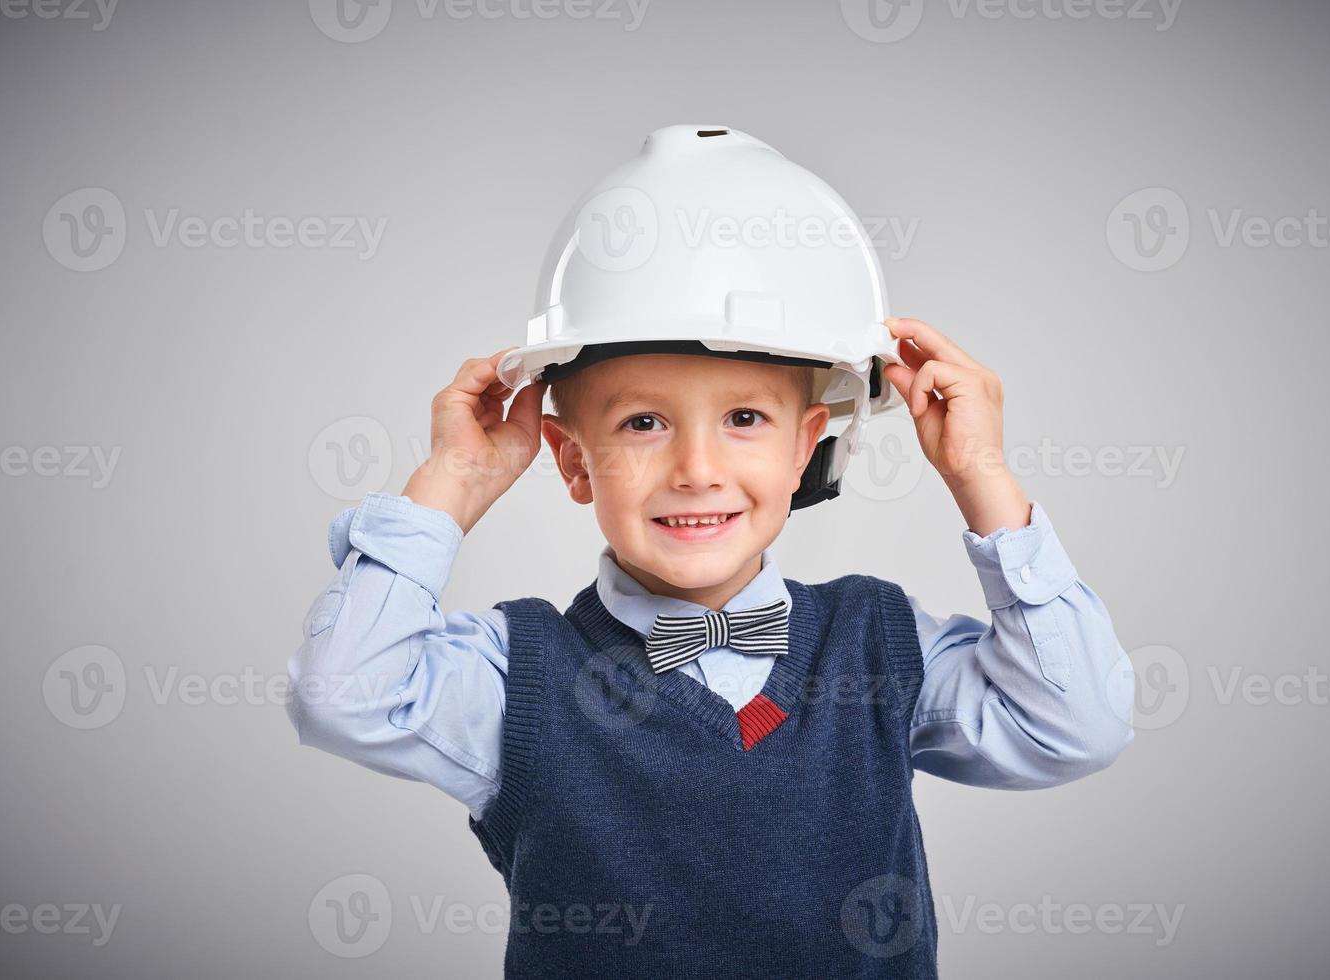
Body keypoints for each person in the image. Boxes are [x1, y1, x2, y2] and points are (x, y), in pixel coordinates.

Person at [287, 125, 1135, 979]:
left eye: (744, 420)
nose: (697, 471)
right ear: (573, 459)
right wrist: (452, 483)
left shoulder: (878, 643)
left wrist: (980, 476)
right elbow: (342, 698)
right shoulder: (521, 677)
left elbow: (1074, 724)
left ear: (806, 448)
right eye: (643, 424)